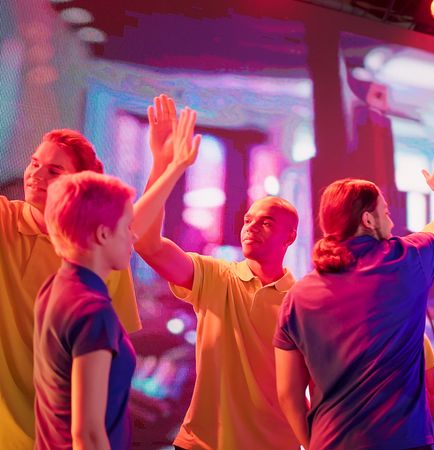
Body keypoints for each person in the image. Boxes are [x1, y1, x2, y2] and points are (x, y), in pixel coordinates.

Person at [134, 96, 302, 449]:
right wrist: (167, 165)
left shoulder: (303, 300)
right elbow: (143, 239)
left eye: (266, 222)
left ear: (290, 236)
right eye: (247, 220)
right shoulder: (215, 276)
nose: (251, 227)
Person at [33, 105, 200, 450]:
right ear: (103, 235)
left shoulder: (58, 285)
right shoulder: (91, 309)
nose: (134, 236)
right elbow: (88, 434)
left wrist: (170, 166)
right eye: (126, 228)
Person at [274, 149, 434, 450]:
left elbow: (288, 394)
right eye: (385, 212)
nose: (390, 220)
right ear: (368, 220)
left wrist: (314, 444)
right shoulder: (405, 262)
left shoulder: (297, 296)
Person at [0, 129, 141, 449]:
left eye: (54, 170)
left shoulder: (64, 282)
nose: (36, 174)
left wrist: (167, 167)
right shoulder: (86, 302)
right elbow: (87, 432)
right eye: (34, 163)